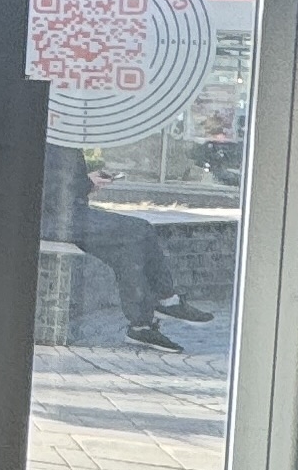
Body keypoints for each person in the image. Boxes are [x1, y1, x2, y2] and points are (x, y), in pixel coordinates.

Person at [42, 141, 216, 351]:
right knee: (140, 229)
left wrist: (86, 182)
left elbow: (57, 182)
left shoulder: (61, 133)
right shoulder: (54, 134)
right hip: (55, 219)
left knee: (127, 249)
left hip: (64, 215)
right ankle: (166, 301)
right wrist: (87, 184)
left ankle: (141, 327)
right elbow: (51, 189)